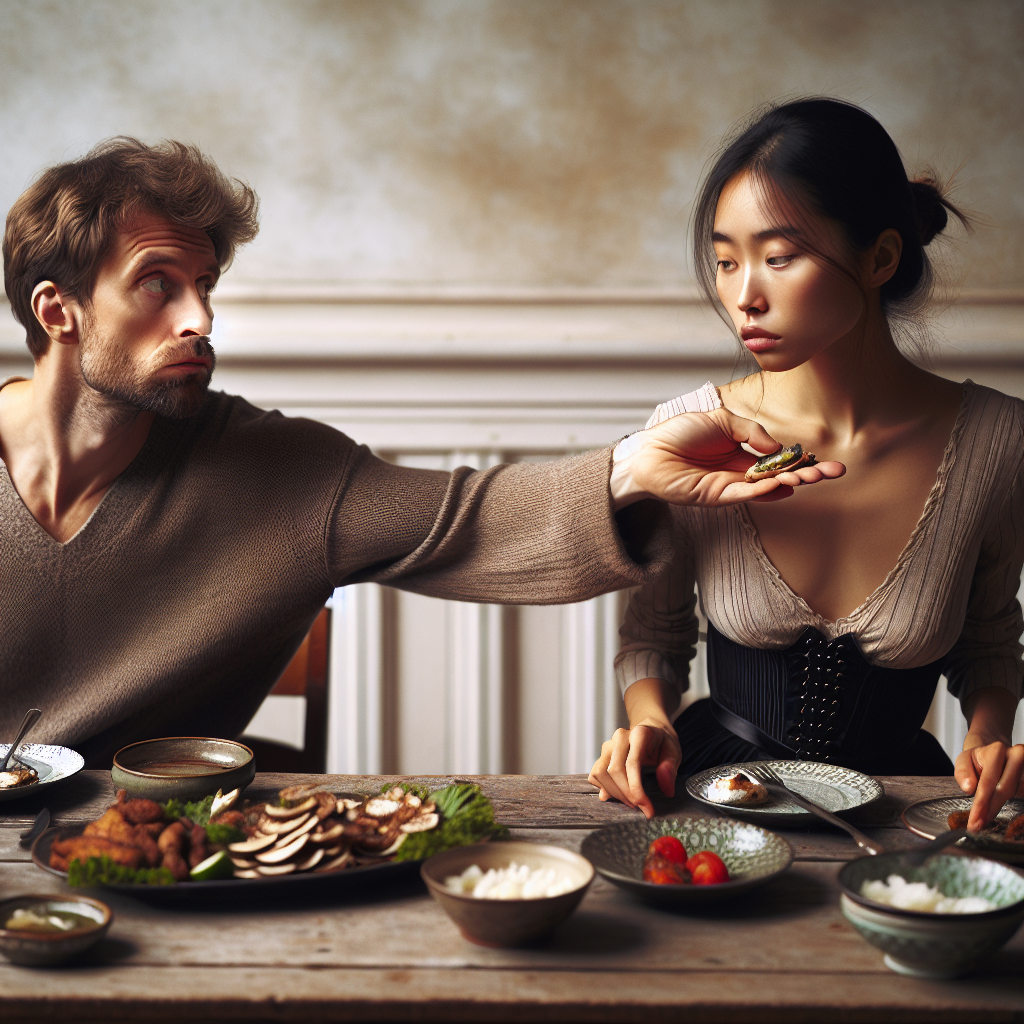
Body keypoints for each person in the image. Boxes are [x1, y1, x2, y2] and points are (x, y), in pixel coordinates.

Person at [0, 138, 842, 769]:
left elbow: (475, 520)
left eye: (206, 285)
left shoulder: (282, 476)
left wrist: (631, 466)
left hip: (157, 874)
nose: (200, 319)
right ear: (57, 309)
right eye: (158, 283)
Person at [588, 98, 1024, 831]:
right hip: (711, 803)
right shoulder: (684, 434)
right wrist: (651, 722)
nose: (742, 296)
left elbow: (987, 638)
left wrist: (987, 738)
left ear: (880, 258)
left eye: (778, 257)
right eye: (726, 261)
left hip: (898, 814)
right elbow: (652, 640)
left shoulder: (998, 441)